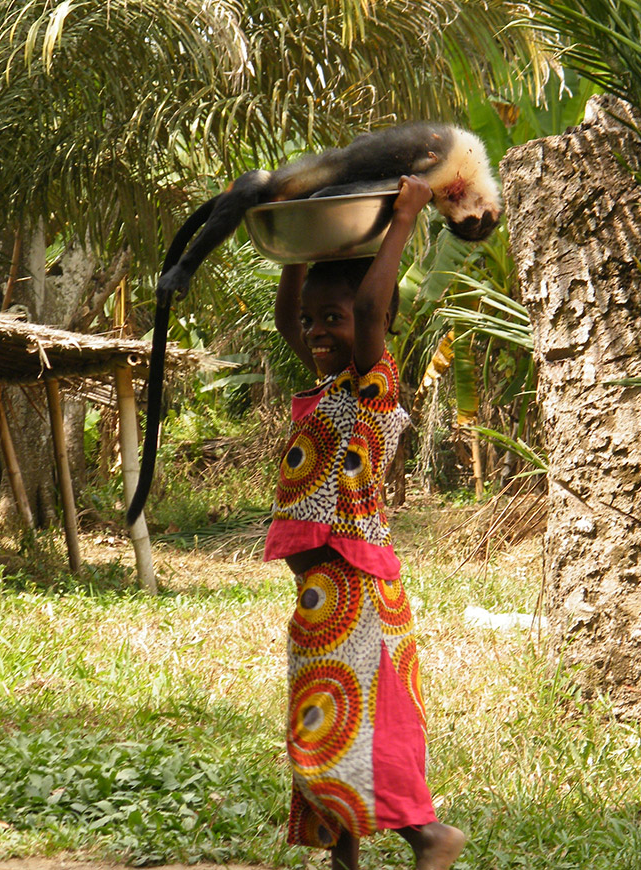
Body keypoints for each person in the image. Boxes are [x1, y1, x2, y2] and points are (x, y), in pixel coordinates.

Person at [264, 175, 466, 870]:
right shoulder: (326, 385)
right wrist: (294, 245)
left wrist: (405, 218)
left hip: (355, 587)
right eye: (318, 321)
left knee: (348, 726)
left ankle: (428, 837)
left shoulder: (373, 385)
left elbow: (374, 309)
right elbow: (289, 318)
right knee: (325, 713)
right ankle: (341, 860)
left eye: (336, 320)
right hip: (324, 591)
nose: (320, 332)